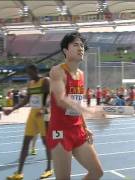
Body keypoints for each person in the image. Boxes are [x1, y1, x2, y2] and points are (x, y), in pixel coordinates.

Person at [47, 32, 105, 179]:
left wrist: (85, 126)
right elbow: (61, 100)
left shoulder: (81, 74)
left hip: (78, 130)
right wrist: (91, 112)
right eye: (75, 45)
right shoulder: (57, 71)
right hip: (60, 132)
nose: (81, 48)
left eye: (82, 45)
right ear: (66, 51)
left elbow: (77, 103)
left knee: (97, 172)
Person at [5, 65, 52, 180]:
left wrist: (44, 108)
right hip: (32, 115)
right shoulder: (31, 83)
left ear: (36, 71)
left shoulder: (45, 81)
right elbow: (27, 99)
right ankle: (19, 172)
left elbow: (52, 96)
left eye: (31, 73)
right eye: (28, 73)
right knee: (25, 143)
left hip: (43, 115)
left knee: (46, 143)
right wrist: (13, 109)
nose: (29, 75)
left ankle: (49, 169)